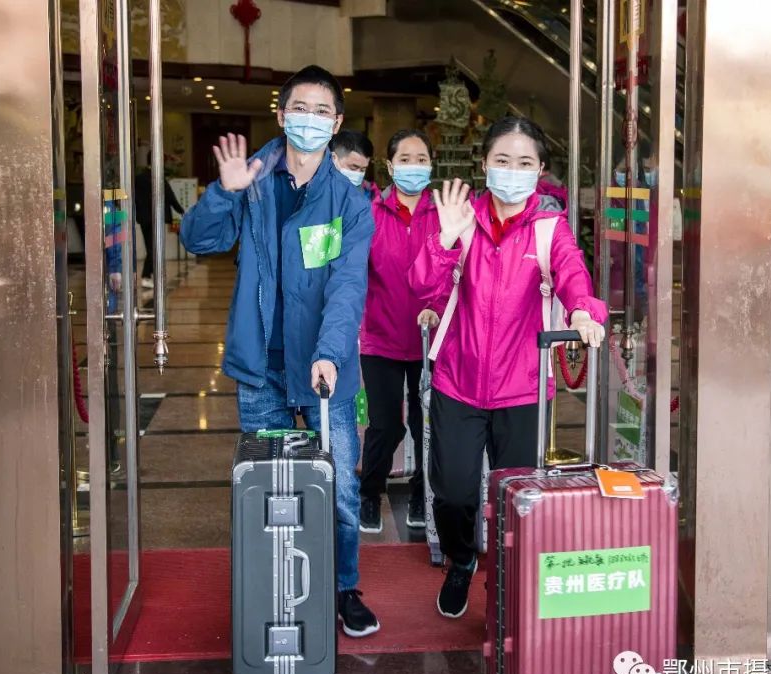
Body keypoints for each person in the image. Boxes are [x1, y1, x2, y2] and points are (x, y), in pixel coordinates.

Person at [179, 65, 379, 638]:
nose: (309, 120)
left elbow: (348, 286)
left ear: (336, 123)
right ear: (281, 113)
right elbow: (199, 239)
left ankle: (343, 586)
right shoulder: (253, 179)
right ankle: (276, 589)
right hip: (261, 368)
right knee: (269, 487)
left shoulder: (350, 203)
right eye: (300, 108)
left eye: (322, 112)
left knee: (340, 491)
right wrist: (224, 192)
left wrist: (330, 353)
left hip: (324, 370)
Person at [409, 116, 608, 619]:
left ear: (540, 171)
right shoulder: (461, 220)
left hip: (523, 388)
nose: (512, 171)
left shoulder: (549, 228)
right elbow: (422, 287)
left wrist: (583, 311)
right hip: (458, 380)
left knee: (517, 496)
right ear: (484, 164)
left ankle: (506, 575)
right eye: (502, 160)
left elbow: (572, 272)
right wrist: (444, 242)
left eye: (524, 163)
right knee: (453, 493)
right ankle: (461, 561)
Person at [358, 129, 442, 533]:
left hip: (432, 341)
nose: (413, 166)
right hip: (381, 339)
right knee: (386, 424)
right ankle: (369, 494)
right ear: (390, 167)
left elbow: (456, 269)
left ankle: (422, 493)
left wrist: (436, 307)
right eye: (404, 159)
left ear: (431, 165)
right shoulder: (369, 213)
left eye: (421, 159)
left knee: (429, 424)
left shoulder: (444, 213)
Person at [134, 153, 185, 289]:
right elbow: (170, 196)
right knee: (154, 248)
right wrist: (181, 211)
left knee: (151, 247)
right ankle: (146, 276)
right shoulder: (158, 177)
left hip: (144, 219)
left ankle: (150, 275)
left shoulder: (138, 178)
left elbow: (135, 199)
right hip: (156, 218)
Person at [330, 129, 377, 199]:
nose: (358, 174)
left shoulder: (370, 193)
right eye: (353, 168)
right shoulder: (316, 190)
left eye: (363, 169)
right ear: (334, 158)